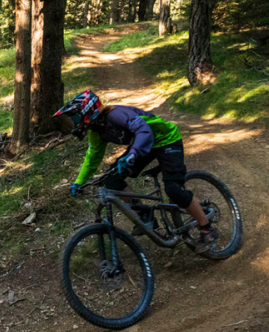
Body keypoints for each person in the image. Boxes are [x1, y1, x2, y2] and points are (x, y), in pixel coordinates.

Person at [56, 90, 219, 252]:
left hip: (166, 140)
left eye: (75, 117)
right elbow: (92, 158)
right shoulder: (97, 131)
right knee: (112, 181)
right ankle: (144, 214)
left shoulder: (115, 115)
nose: (74, 122)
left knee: (173, 189)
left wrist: (133, 154)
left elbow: (144, 130)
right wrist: (79, 182)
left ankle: (207, 229)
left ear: (88, 111)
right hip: (144, 145)